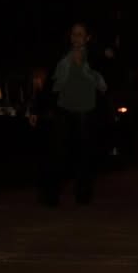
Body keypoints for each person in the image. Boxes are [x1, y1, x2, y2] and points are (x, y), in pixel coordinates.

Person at [45, 22, 107, 205]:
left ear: (87, 38)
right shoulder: (62, 57)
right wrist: (40, 108)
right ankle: (51, 195)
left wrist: (86, 67)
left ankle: (82, 194)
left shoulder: (94, 58)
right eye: (73, 34)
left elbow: (103, 83)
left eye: (80, 34)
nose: (76, 38)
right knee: (58, 153)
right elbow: (51, 83)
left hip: (86, 111)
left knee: (84, 154)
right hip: (64, 109)